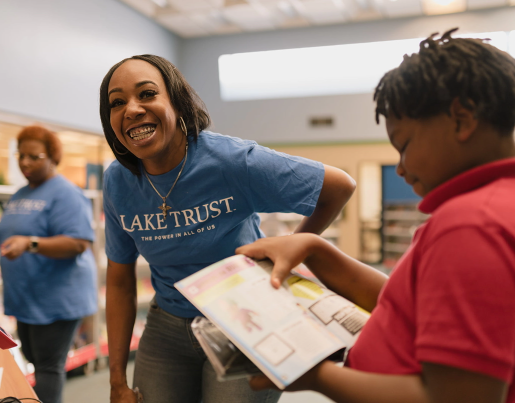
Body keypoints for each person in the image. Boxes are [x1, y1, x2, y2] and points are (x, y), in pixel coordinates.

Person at [237, 28, 515, 403]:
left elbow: (458, 397)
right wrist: (318, 251)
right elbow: (416, 310)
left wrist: (315, 375)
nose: (400, 169)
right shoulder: (492, 207)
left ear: (461, 120)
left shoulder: (470, 226)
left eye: (404, 146)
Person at [99, 54, 356, 403]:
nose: (132, 109)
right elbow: (118, 279)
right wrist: (116, 379)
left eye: (146, 94)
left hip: (244, 318)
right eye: (117, 102)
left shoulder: (232, 162)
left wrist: (295, 247)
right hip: (167, 325)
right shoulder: (118, 182)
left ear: (176, 101)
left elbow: (338, 186)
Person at [0, 125, 98, 403]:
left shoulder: (66, 193)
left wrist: (31, 243)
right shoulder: (20, 194)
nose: (25, 162)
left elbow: (79, 243)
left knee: (47, 366)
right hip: (26, 297)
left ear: (53, 158)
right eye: (21, 155)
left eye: (35, 156)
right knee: (33, 358)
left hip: (55, 299)